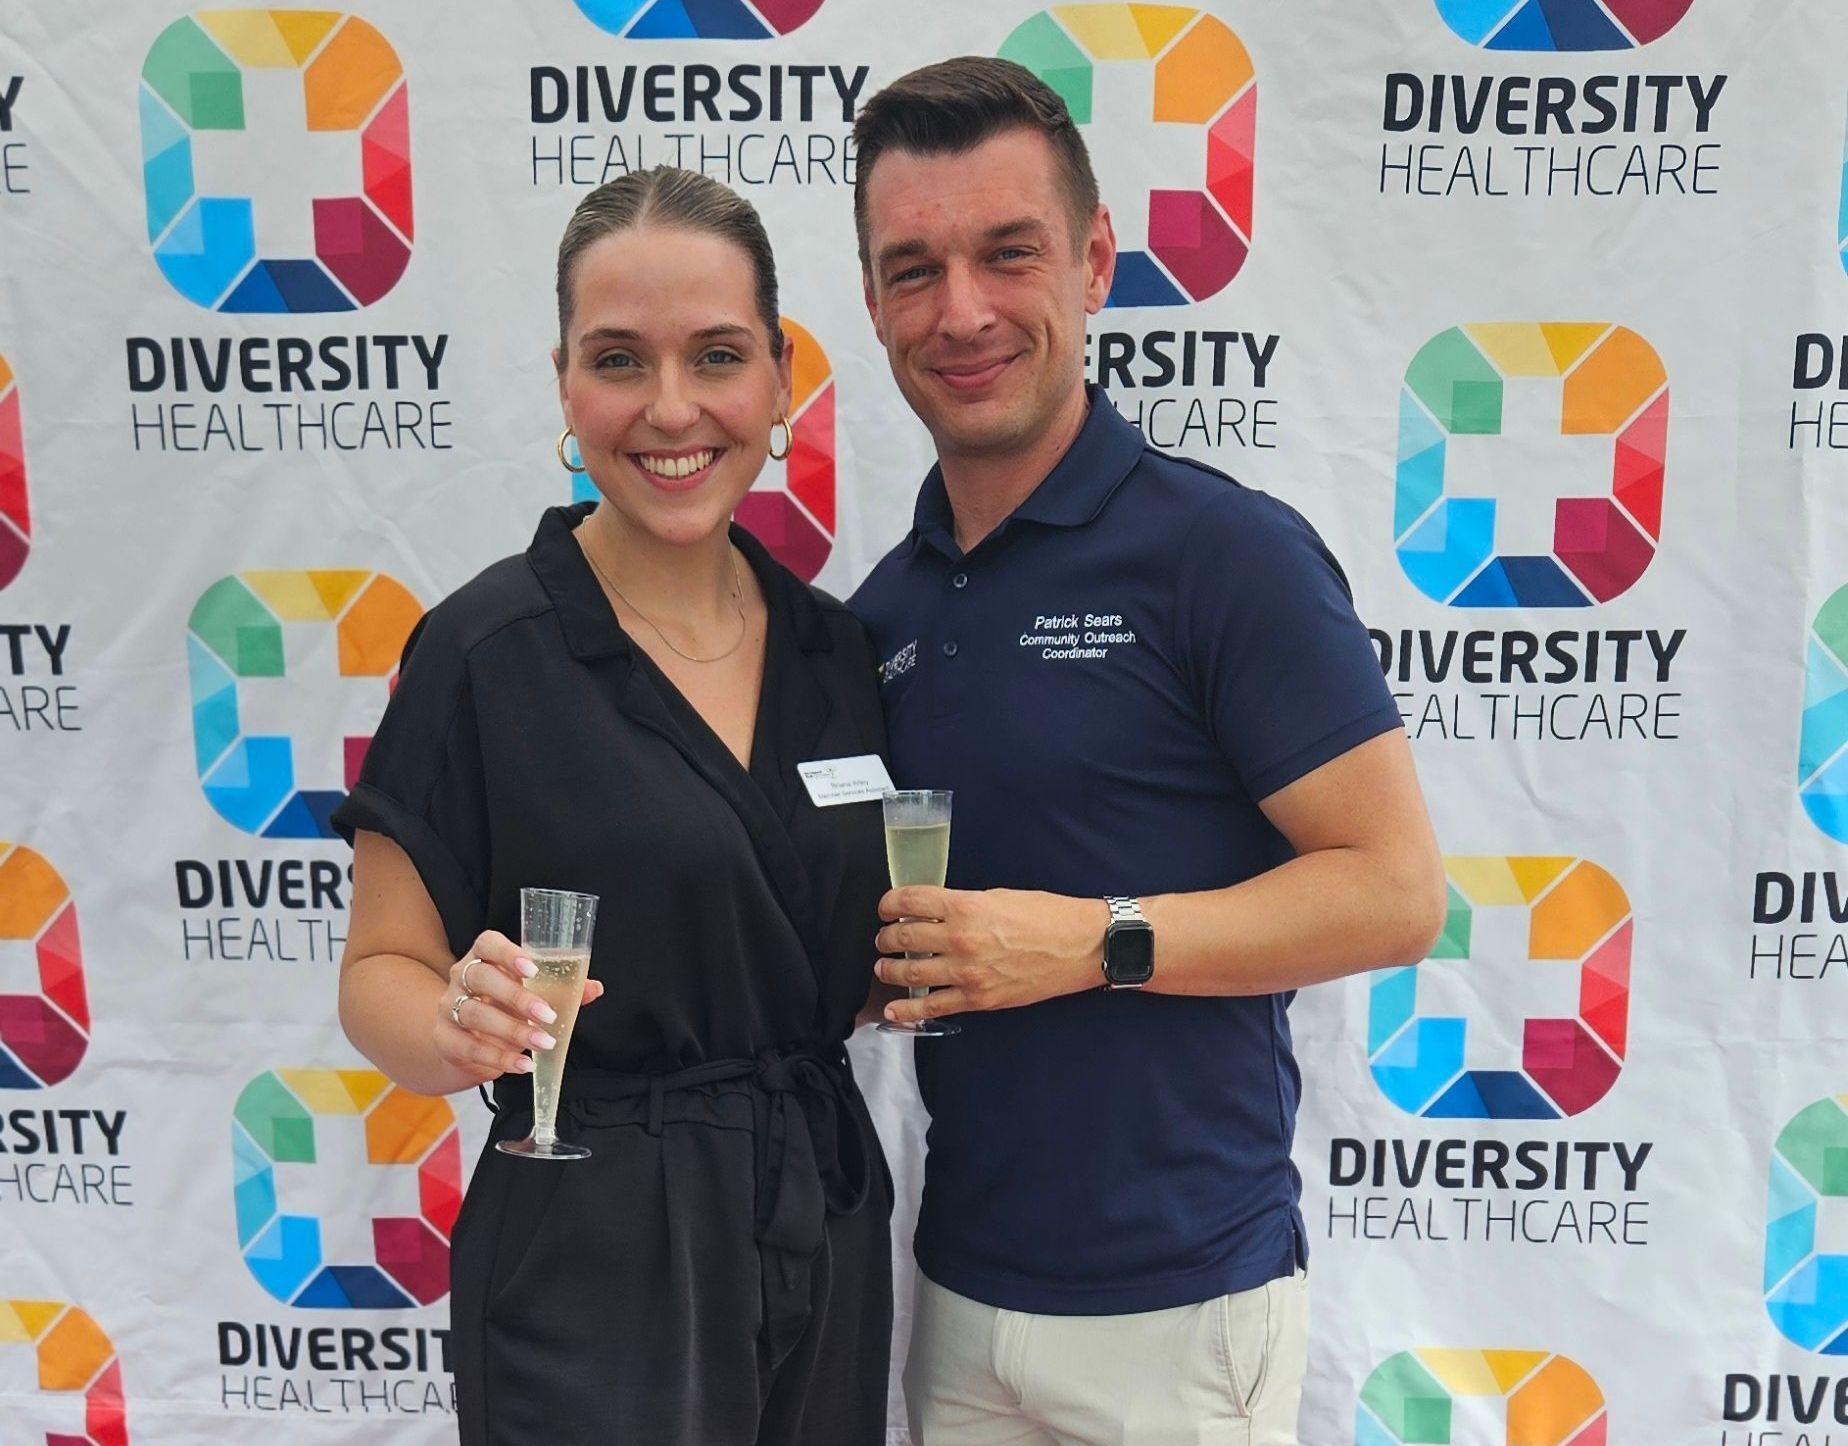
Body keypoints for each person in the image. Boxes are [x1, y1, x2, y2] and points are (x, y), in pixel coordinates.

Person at [847, 60, 1449, 1445]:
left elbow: (1396, 890)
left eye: (1010, 254)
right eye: (914, 268)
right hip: (956, 1290)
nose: (965, 312)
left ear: (1097, 260)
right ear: (875, 304)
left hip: (1182, 1315)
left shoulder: (1221, 554)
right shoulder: (875, 614)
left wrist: (1093, 940)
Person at [332, 166, 893, 1446]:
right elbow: (380, 973)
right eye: (620, 360)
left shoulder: (837, 653)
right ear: (566, 390)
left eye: (717, 354)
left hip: (823, 1208)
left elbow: (810, 942)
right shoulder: (483, 653)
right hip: (594, 1233)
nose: (673, 407)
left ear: (782, 382)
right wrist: (453, 1026)